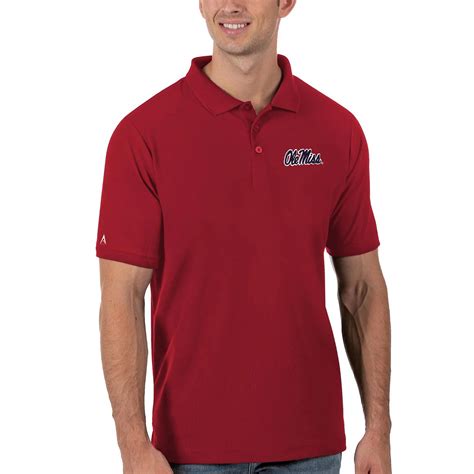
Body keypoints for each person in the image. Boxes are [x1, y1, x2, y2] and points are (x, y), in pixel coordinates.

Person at [95, 0, 392, 473]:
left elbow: (362, 289)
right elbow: (121, 298)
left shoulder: (338, 131)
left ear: (286, 2)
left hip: (311, 449)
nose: (229, 5)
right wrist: (133, 445)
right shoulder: (142, 135)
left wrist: (378, 430)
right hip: (187, 455)